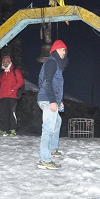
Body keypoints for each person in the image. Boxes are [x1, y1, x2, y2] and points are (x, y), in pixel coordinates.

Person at [36, 39, 68, 170]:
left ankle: (53, 149)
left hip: (51, 98)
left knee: (58, 121)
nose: (63, 52)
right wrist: (53, 101)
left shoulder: (57, 65)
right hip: (47, 99)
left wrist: (59, 101)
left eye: (65, 50)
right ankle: (45, 159)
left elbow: (55, 85)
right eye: (61, 49)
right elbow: (47, 82)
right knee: (48, 128)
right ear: (54, 50)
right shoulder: (51, 62)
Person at [0, 55, 25, 136]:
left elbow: (20, 81)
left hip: (12, 96)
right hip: (3, 97)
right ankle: (4, 130)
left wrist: (13, 89)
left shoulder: (15, 71)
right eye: (4, 62)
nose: (5, 63)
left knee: (12, 113)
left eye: (7, 61)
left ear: (10, 62)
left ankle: (13, 130)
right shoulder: (2, 74)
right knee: (3, 113)